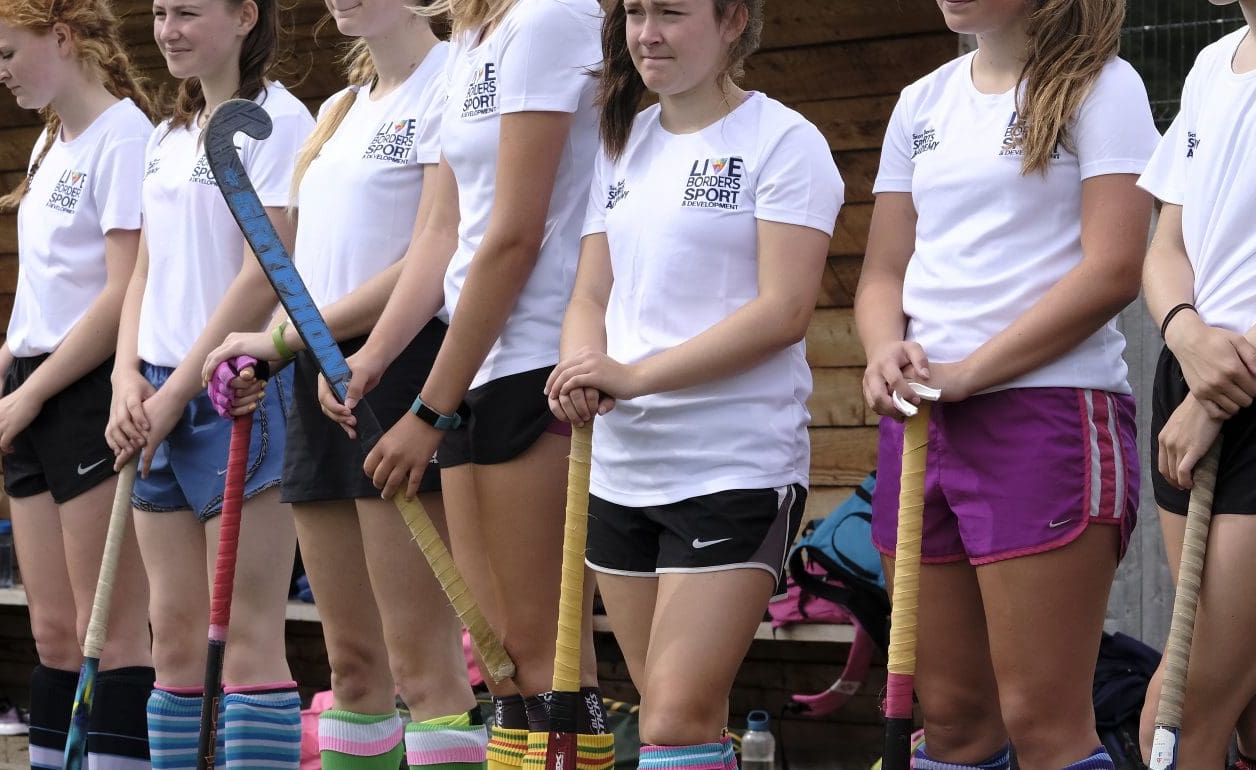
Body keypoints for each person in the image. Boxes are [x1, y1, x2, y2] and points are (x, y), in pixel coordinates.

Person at [852, 0, 1155, 766]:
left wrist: (969, 374)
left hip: (1047, 414)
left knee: (1042, 721)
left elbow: (1116, 266)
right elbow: (884, 270)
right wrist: (885, 349)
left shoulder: (1103, 85)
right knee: (953, 720)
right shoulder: (921, 101)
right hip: (920, 425)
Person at [317, 0, 608, 763]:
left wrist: (428, 408)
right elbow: (442, 233)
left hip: (542, 359)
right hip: (480, 363)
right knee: (503, 655)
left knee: (550, 660)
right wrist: (372, 357)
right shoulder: (471, 37)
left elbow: (514, 237)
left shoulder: (548, 17)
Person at [549, 1, 840, 766]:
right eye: (636, 12)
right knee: (674, 726)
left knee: (674, 719)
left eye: (671, 13)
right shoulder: (622, 143)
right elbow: (588, 296)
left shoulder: (784, 142)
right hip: (620, 471)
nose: (647, 32)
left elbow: (783, 310)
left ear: (734, 19)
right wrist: (582, 367)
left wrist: (633, 375)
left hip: (733, 467)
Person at [199, 0, 484, 765]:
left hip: (398, 369)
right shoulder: (338, 107)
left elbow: (432, 252)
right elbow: (311, 267)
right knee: (353, 667)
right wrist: (281, 352)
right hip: (316, 380)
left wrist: (291, 335)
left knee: (426, 668)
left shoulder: (452, 82)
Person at [99, 0, 313, 765]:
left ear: (245, 16)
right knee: (176, 640)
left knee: (250, 635)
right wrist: (128, 378)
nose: (167, 30)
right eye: (159, 12)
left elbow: (266, 275)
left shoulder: (279, 122)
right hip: (156, 396)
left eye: (187, 12)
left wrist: (174, 393)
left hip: (237, 392)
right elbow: (144, 273)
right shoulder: (167, 134)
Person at [0, 0, 157, 765]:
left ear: (64, 38)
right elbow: (37, 288)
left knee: (106, 626)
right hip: (30, 381)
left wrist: (35, 390)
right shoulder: (48, 141)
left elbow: (120, 294)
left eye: (8, 53)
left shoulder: (125, 136)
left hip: (83, 388)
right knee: (51, 628)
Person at [1136, 0, 1256, 763]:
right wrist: (1185, 335)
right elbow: (1168, 242)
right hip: (1191, 378)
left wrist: (1219, 387)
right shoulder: (1215, 63)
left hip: (1230, 390)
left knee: (1176, 723)